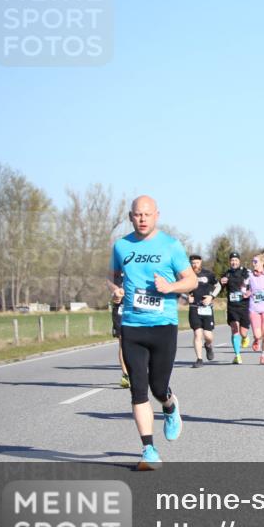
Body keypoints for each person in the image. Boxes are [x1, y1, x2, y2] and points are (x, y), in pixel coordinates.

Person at [109, 195, 196, 470]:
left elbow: (190, 280)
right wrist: (115, 290)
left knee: (158, 388)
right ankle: (149, 449)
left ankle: (170, 406)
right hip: (133, 325)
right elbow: (111, 275)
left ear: (156, 215)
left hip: (163, 326)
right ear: (130, 216)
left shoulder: (170, 245)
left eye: (147, 214)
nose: (142, 219)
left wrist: (170, 288)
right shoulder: (121, 246)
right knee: (137, 388)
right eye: (137, 214)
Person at [187, 254, 220, 368]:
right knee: (197, 334)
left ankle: (208, 345)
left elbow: (218, 286)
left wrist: (211, 297)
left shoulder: (208, 274)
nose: (194, 265)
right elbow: (178, 288)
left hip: (206, 308)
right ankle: (199, 359)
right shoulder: (186, 275)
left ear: (201, 262)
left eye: (196, 262)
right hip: (194, 308)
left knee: (208, 335)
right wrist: (186, 297)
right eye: (192, 263)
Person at [220, 252, 251, 364]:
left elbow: (252, 285)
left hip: (244, 305)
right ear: (229, 262)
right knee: (234, 329)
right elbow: (220, 288)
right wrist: (221, 282)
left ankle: (245, 337)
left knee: (243, 332)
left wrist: (249, 291)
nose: (234, 262)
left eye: (236, 260)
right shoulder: (226, 274)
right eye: (232, 260)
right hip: (232, 306)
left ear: (239, 261)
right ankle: (237, 355)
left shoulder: (245, 272)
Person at [110, 274, 129, 388]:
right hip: (121, 313)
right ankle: (126, 375)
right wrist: (115, 297)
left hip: (138, 313)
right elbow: (113, 297)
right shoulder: (115, 276)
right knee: (123, 344)